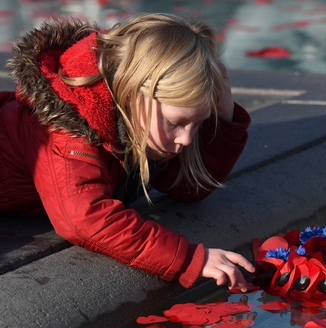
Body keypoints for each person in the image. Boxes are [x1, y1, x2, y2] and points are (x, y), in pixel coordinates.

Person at [0, 13, 255, 289]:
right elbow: (84, 219)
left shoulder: (140, 123)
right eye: (175, 123)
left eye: (198, 124)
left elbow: (188, 188)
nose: (185, 139)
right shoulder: (67, 129)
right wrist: (189, 258)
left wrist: (225, 116)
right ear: (132, 95)